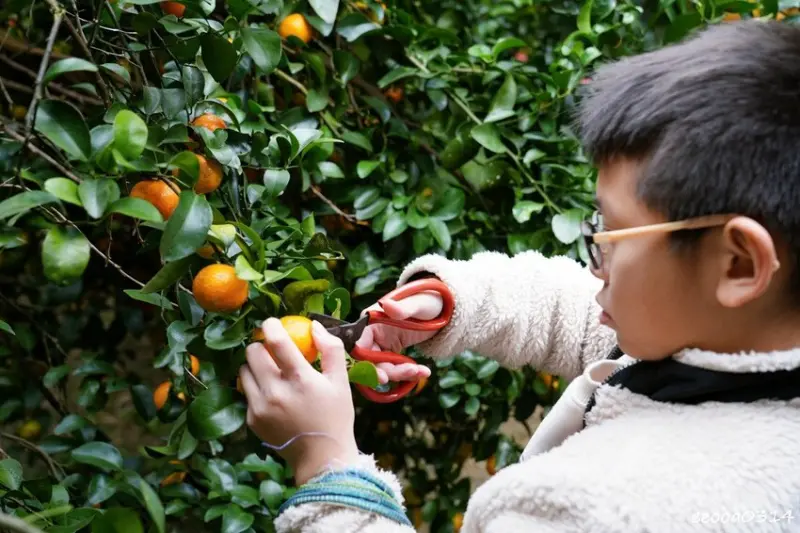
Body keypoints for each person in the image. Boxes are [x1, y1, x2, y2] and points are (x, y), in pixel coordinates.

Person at [238, 19, 800, 533]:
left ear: (739, 264)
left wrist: (328, 467)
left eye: (608, 236)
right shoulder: (733, 343)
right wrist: (454, 302)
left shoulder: (600, 510)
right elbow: (584, 316)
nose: (593, 265)